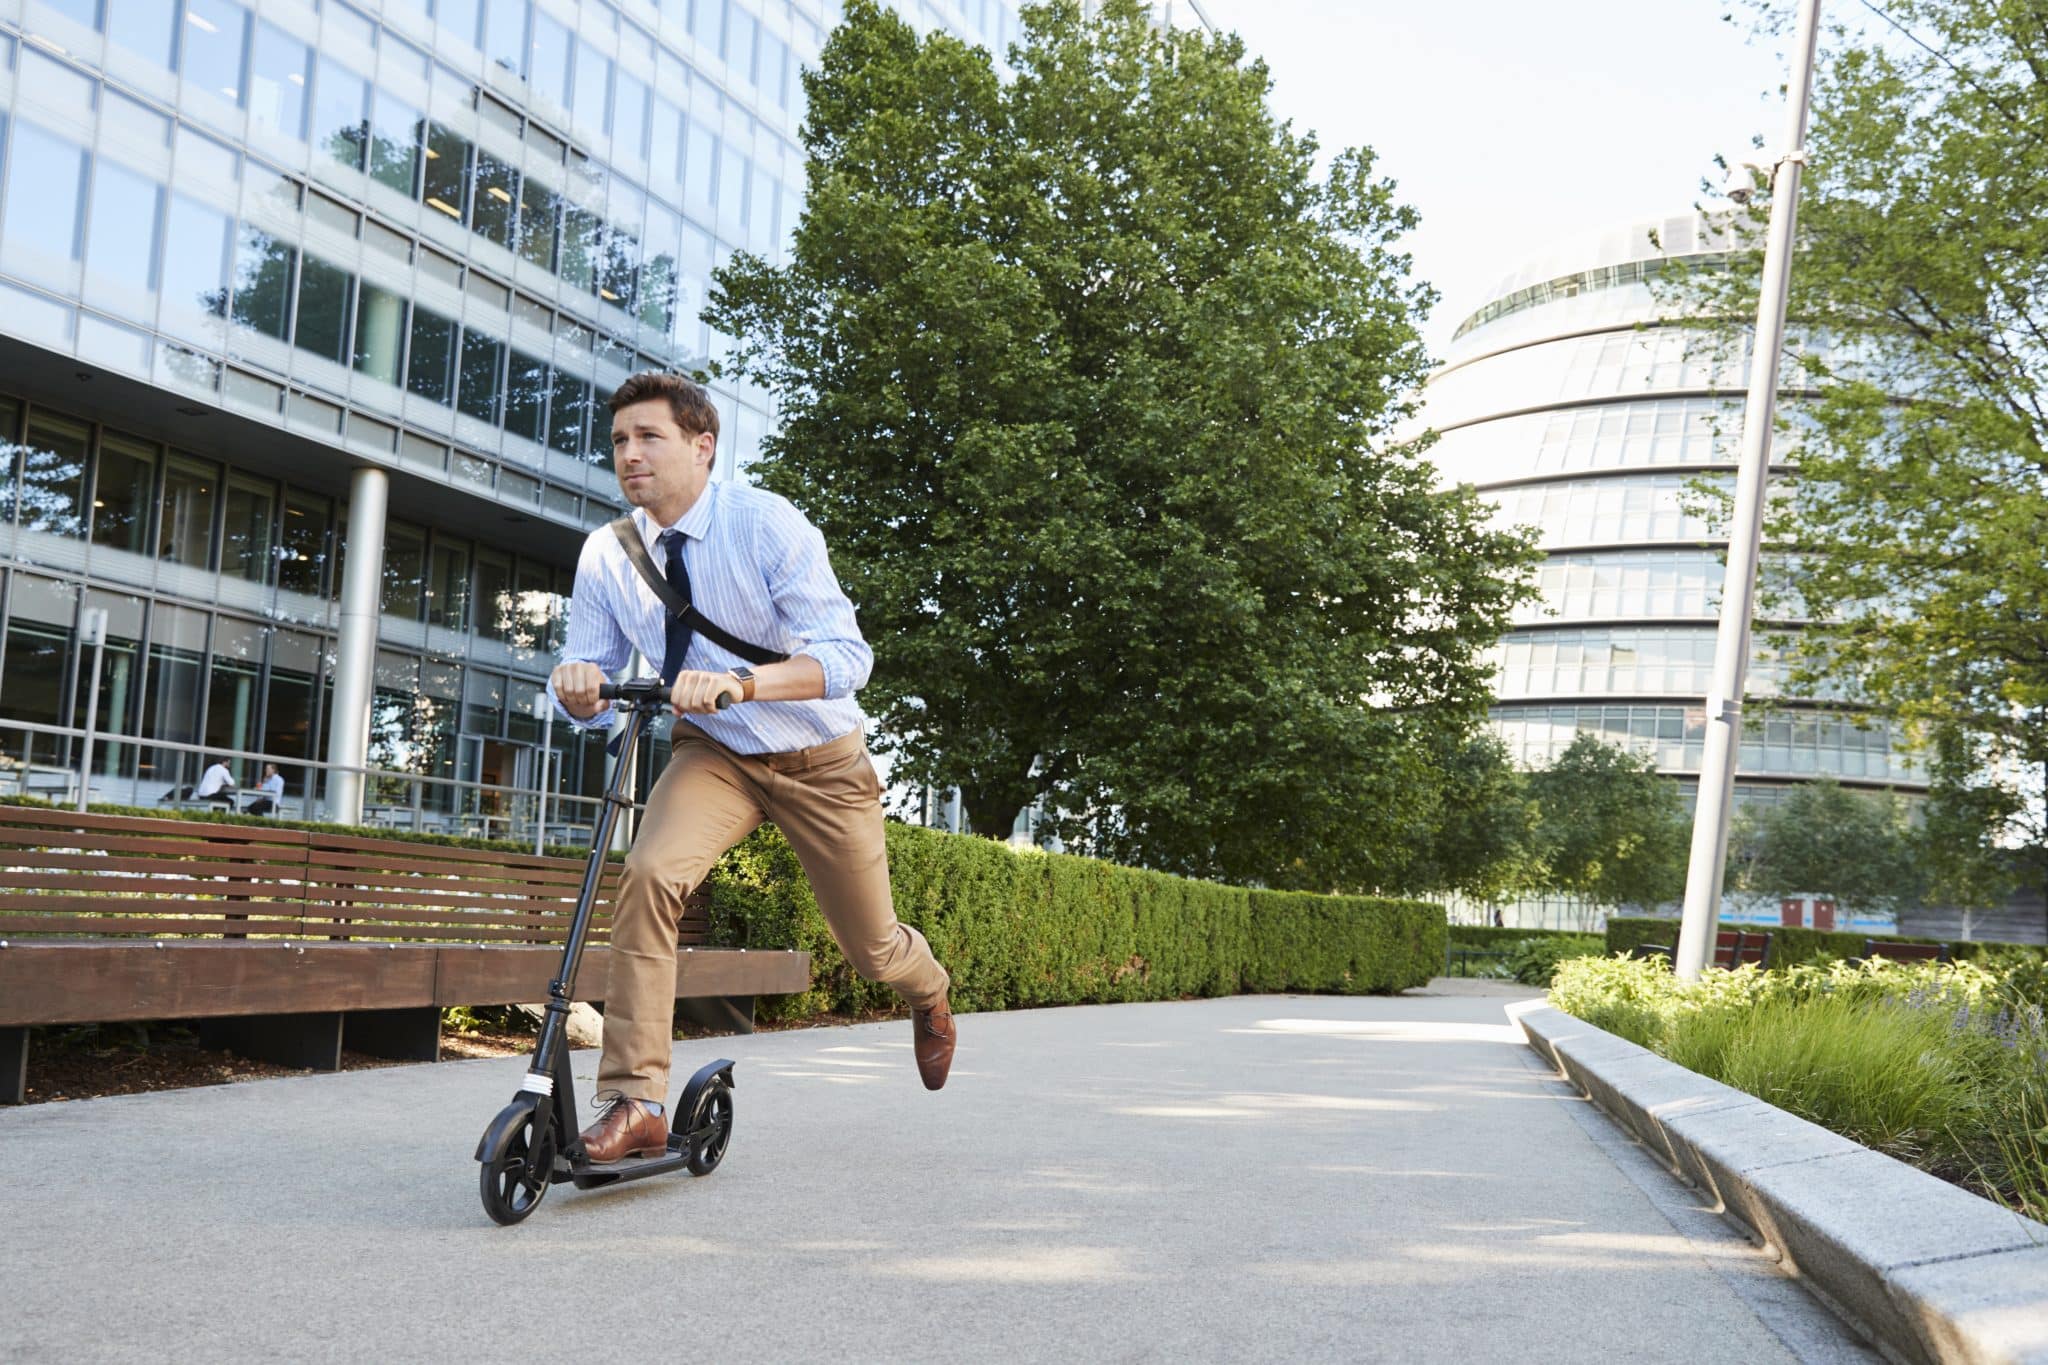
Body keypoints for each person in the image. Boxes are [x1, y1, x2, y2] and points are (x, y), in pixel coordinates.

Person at [549, 372, 955, 1165]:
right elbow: (588, 682)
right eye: (620, 440)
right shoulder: (607, 554)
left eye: (649, 437)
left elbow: (846, 657)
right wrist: (573, 686)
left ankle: (929, 987)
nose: (630, 454)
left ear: (703, 447)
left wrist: (744, 682)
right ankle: (638, 1099)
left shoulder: (767, 524)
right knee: (651, 873)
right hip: (716, 753)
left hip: (822, 759)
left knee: (870, 947)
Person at [168, 757, 236, 804]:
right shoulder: (224, 770)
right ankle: (221, 819)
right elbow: (232, 783)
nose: (229, 765)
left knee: (221, 798)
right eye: (229, 763)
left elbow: (214, 780)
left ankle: (216, 814)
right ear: (224, 762)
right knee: (231, 801)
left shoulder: (211, 768)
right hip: (210, 795)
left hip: (201, 795)